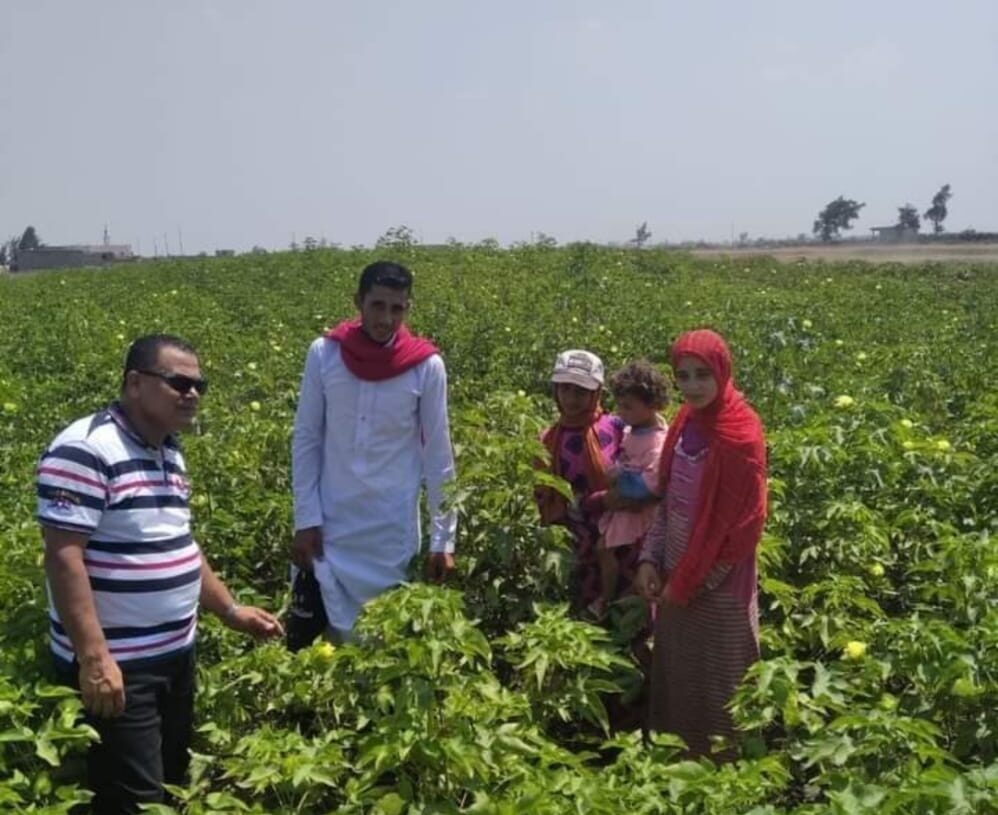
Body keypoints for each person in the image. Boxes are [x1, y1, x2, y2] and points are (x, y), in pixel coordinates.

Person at [37, 334, 283, 813]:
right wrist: (94, 659)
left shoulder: (168, 451)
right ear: (135, 383)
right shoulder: (86, 449)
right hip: (120, 670)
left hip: (175, 657)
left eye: (198, 385)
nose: (191, 394)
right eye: (178, 382)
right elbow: (63, 557)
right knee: (135, 801)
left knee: (172, 788)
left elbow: (179, 545)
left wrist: (231, 610)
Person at [290, 260, 456, 643]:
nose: (386, 318)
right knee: (327, 640)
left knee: (387, 639)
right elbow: (307, 438)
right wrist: (306, 518)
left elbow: (438, 455)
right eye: (377, 306)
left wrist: (442, 540)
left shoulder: (426, 366)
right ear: (358, 302)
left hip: (390, 531)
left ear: (407, 309)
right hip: (332, 525)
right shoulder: (325, 354)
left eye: (397, 309)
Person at [635, 329, 767, 760]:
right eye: (683, 375)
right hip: (676, 575)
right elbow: (668, 500)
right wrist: (651, 560)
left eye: (702, 374)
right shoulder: (684, 424)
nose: (691, 386)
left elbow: (741, 530)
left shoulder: (740, 435)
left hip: (719, 586)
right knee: (680, 679)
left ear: (723, 372)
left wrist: (692, 583)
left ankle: (728, 785)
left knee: (721, 686)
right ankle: (678, 773)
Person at [536, 349, 649, 613]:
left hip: (622, 537)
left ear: (596, 393)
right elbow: (549, 497)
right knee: (584, 611)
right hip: (577, 542)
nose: (571, 399)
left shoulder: (617, 427)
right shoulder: (548, 440)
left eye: (580, 391)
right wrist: (599, 502)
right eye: (565, 390)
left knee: (627, 613)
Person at [591, 360, 669, 620]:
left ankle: (608, 600)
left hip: (639, 509)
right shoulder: (633, 428)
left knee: (607, 550)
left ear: (652, 405)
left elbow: (652, 484)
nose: (621, 412)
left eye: (628, 407)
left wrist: (616, 478)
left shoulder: (658, 441)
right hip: (626, 504)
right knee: (612, 552)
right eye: (620, 405)